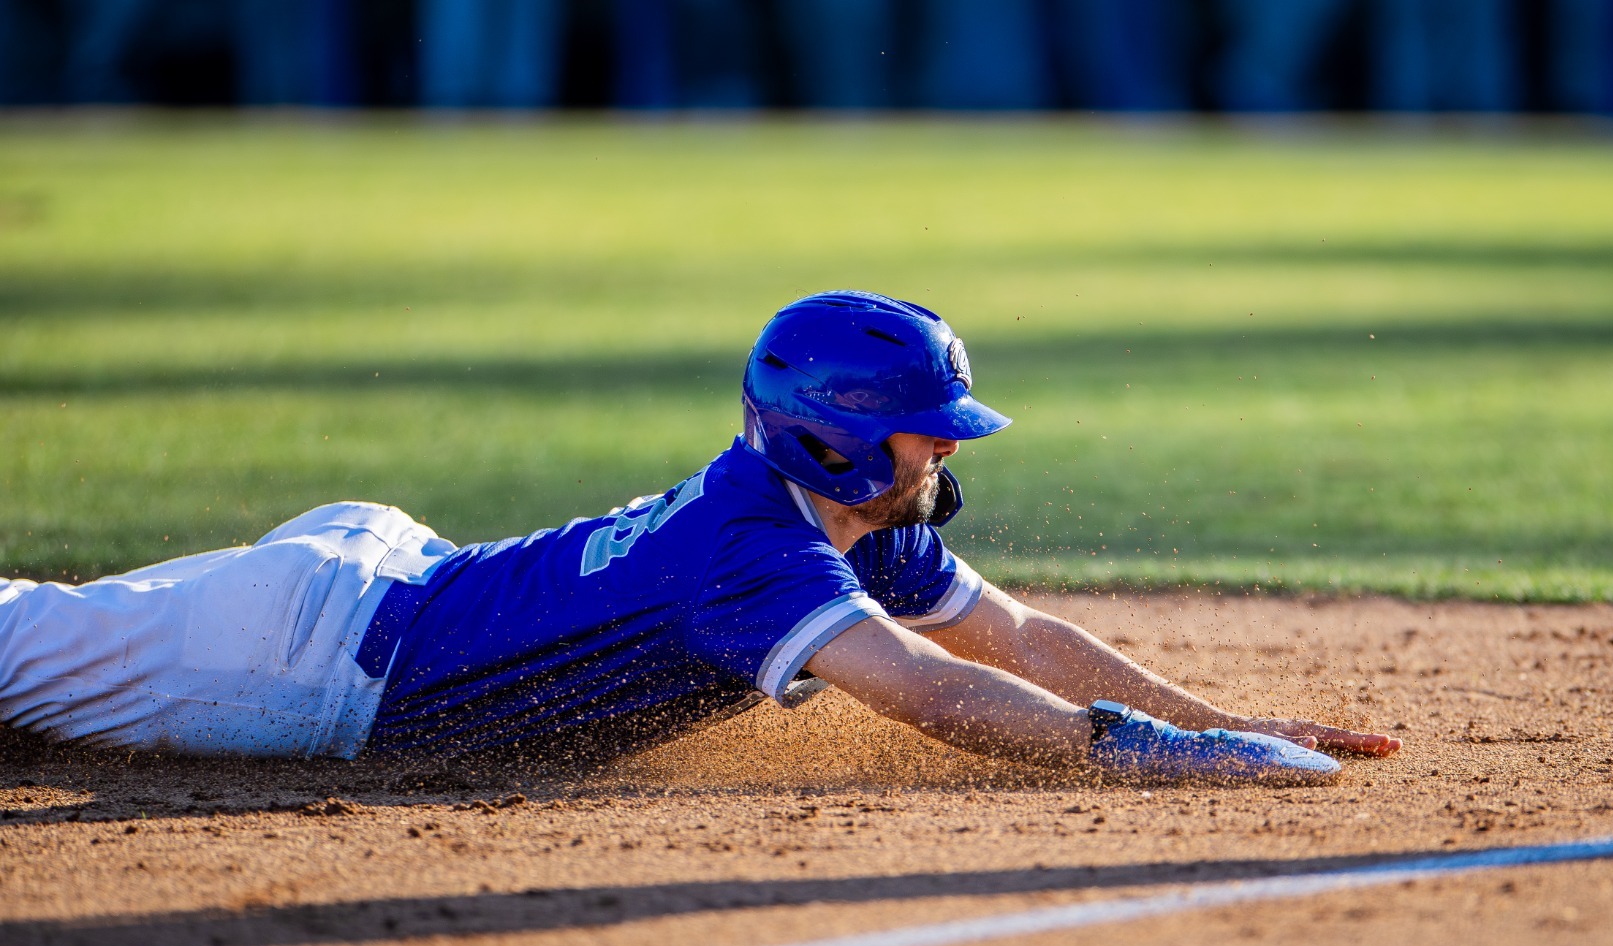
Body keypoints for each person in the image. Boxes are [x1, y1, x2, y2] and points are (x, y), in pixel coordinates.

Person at [0, 292, 1400, 781]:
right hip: (311, 663)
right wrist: (1159, 756)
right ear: (839, 432)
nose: (949, 447)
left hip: (394, 578)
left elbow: (1021, 639)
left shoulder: (857, 516)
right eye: (929, 424)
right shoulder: (761, 553)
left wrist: (1230, 716)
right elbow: (943, 697)